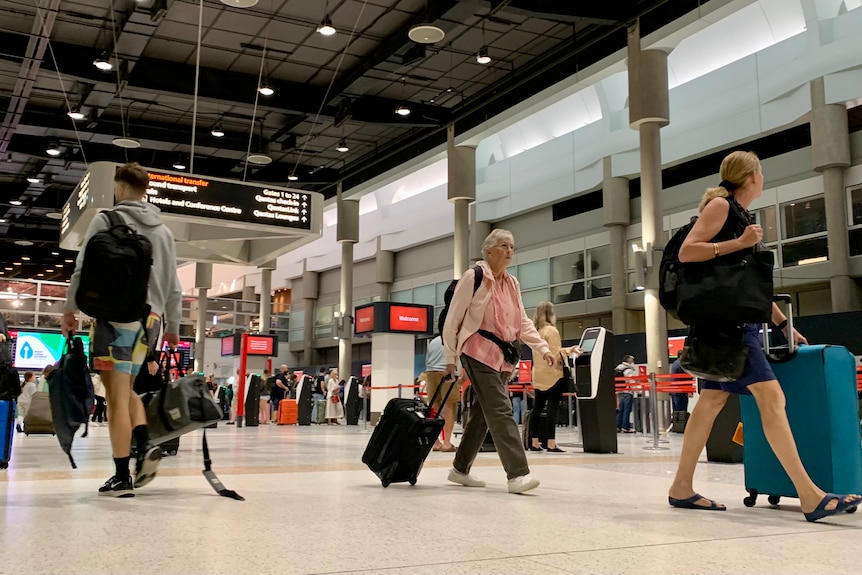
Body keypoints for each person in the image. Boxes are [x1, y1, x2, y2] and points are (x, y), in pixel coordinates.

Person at [667, 150, 862, 521]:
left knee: (709, 403)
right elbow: (688, 251)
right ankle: (810, 496)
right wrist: (739, 244)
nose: (763, 177)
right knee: (772, 397)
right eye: (761, 172)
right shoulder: (721, 207)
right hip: (730, 329)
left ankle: (681, 487)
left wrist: (782, 323)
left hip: (728, 324)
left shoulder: (739, 214)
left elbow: (747, 286)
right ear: (751, 176)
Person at [63, 161, 182, 498]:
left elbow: (83, 268)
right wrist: (173, 325)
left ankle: (121, 476)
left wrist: (70, 309)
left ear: (119, 185)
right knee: (127, 388)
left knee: (116, 397)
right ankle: (144, 442)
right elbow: (173, 284)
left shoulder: (107, 218)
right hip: (150, 322)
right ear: (146, 189)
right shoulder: (164, 231)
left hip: (115, 318)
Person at [442, 229, 555, 495]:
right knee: (501, 409)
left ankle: (459, 469)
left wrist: (542, 347)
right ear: (488, 250)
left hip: (502, 356)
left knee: (484, 414)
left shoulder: (512, 283)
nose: (509, 251)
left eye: (512, 246)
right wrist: (450, 359)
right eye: (504, 246)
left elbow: (521, 321)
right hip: (476, 351)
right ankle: (517, 474)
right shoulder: (474, 277)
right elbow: (453, 320)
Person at [529, 301, 581, 452]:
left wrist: (565, 350)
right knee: (552, 408)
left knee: (537, 409)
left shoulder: (536, 332)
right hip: (553, 375)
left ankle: (535, 442)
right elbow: (555, 355)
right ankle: (551, 443)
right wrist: (569, 351)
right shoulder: (552, 331)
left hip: (538, 375)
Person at [425, 333, 459, 452]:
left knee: (434, 406)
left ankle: (435, 442)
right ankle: (447, 442)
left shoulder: (433, 341)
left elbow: (427, 360)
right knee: (450, 405)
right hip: (447, 372)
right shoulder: (454, 338)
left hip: (431, 372)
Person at [614, 355, 637, 433]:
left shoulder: (618, 367)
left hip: (620, 391)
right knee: (627, 410)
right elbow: (631, 381)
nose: (633, 362)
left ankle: (618, 426)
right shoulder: (628, 370)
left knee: (621, 410)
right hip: (627, 392)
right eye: (632, 360)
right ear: (629, 361)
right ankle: (626, 427)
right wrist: (637, 390)